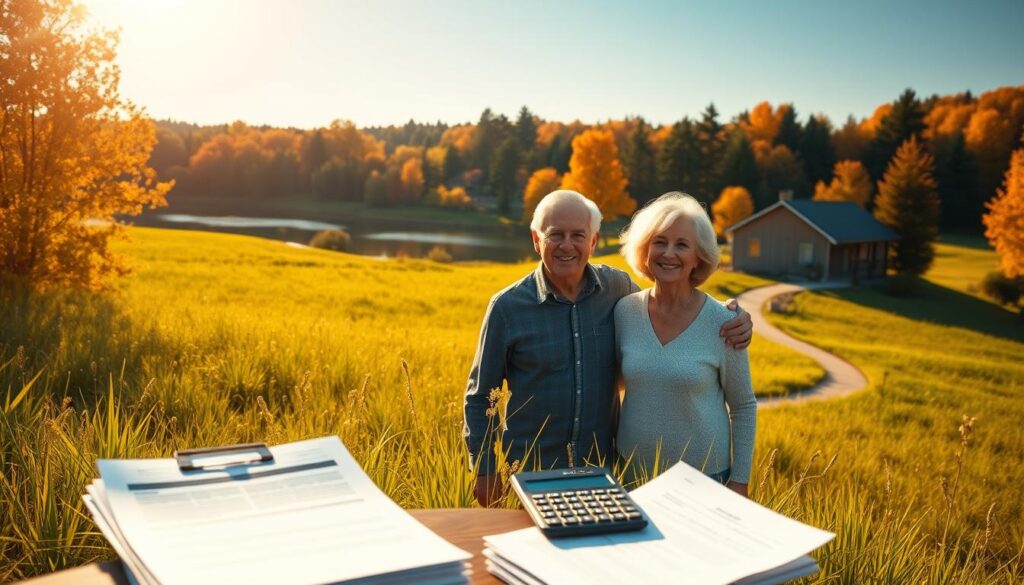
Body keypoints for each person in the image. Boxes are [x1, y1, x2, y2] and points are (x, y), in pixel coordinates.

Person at [463, 190, 753, 506]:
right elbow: (479, 398)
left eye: (578, 235)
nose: (566, 245)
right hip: (535, 473)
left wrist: (733, 314)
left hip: (607, 476)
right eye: (555, 235)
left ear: (593, 241)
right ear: (536, 239)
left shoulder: (618, 293)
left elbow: (672, 308)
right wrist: (484, 469)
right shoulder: (510, 308)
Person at [615, 192, 756, 497]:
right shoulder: (624, 312)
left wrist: (740, 480)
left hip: (704, 479)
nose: (669, 253)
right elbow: (615, 381)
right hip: (630, 474)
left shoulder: (724, 322)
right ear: (644, 250)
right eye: (660, 241)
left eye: (682, 245)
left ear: (698, 257)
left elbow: (743, 406)